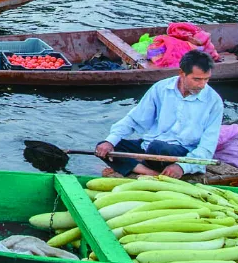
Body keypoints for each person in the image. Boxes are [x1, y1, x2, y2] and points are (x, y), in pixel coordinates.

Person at [95, 50, 222, 179]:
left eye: (206, 79)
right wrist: (109, 141)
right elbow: (134, 119)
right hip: (150, 146)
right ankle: (151, 172)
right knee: (106, 146)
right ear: (182, 74)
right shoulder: (161, 88)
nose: (202, 85)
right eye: (197, 79)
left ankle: (138, 166)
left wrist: (182, 167)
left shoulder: (214, 101)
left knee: (159, 147)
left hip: (182, 151)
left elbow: (208, 145)